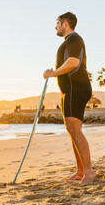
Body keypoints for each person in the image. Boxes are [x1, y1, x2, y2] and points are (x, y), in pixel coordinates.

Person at [43, 12, 95, 185]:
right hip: (68, 91)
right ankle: (80, 171)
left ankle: (88, 172)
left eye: (57, 22)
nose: (55, 26)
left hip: (76, 89)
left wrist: (53, 73)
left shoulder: (74, 39)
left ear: (66, 24)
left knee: (75, 129)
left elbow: (73, 62)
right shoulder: (68, 42)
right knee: (72, 130)